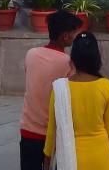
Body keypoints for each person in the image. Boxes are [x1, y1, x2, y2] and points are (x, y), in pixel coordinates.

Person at [44, 32, 109, 170]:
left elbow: (52, 129)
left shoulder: (59, 88)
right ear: (96, 58)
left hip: (70, 161)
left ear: (72, 59)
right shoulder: (105, 85)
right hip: (101, 160)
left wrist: (47, 159)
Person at [20, 10, 83, 170]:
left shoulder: (31, 54)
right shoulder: (69, 64)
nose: (76, 37)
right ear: (65, 36)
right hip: (53, 136)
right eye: (75, 33)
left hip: (28, 130)